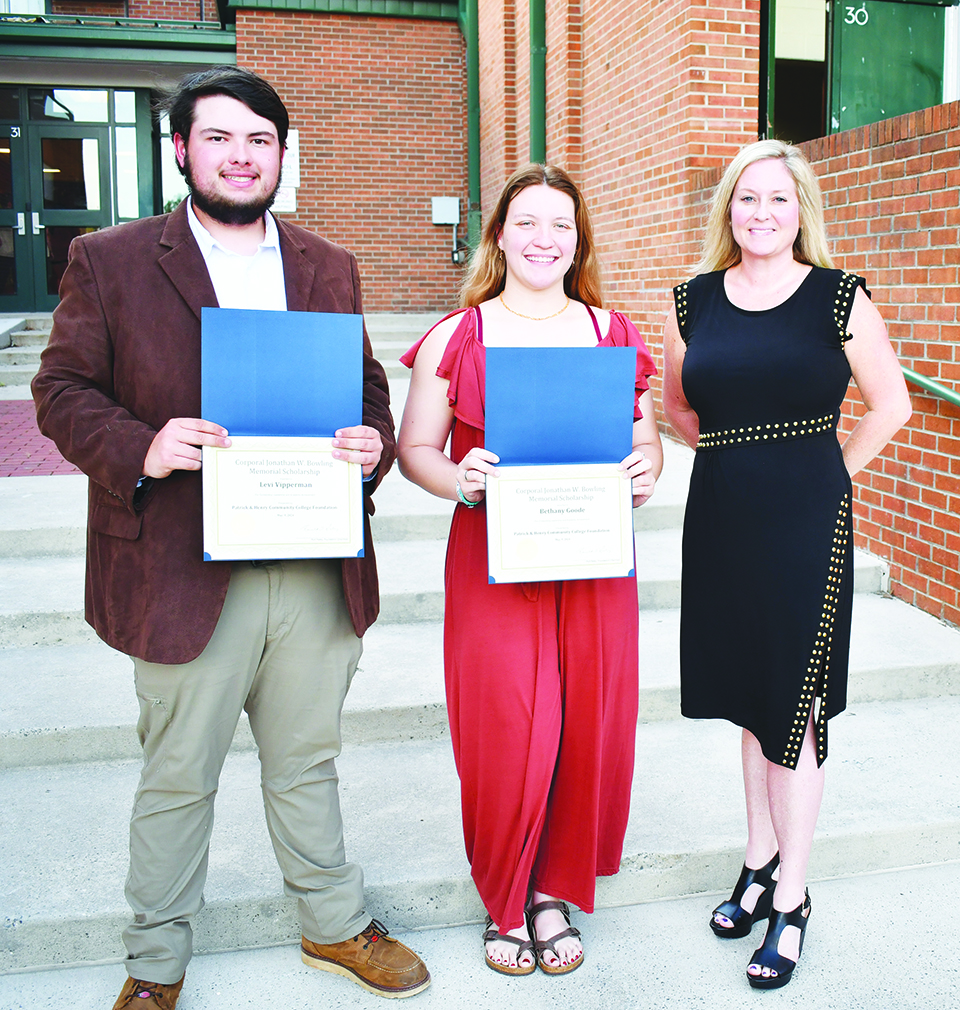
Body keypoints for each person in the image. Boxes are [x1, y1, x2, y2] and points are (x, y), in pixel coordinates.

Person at [31, 66, 430, 1009]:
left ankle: (333, 924)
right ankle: (156, 961)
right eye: (219, 137)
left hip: (311, 560)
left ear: (281, 157)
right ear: (181, 150)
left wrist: (370, 442)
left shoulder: (327, 264)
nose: (240, 155)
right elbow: (60, 392)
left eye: (259, 140)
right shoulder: (113, 259)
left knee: (307, 762)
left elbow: (365, 388)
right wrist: (145, 444)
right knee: (178, 775)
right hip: (181, 563)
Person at [397, 164, 663, 975]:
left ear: (578, 241)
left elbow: (643, 438)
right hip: (491, 555)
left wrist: (646, 469)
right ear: (501, 235)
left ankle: (552, 890)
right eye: (528, 222)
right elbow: (414, 451)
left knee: (587, 725)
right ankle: (505, 896)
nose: (545, 239)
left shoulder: (613, 332)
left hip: (591, 560)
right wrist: (460, 478)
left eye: (562, 225)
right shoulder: (458, 335)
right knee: (508, 724)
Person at [662, 139, 911, 989]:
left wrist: (825, 475)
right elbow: (678, 409)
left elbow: (892, 403)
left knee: (794, 709)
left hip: (808, 523)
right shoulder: (692, 301)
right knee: (748, 699)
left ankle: (793, 899)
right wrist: (738, 458)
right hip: (723, 518)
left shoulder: (838, 297)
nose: (759, 213)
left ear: (799, 208)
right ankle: (758, 860)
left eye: (776, 198)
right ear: (726, 210)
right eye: (744, 199)